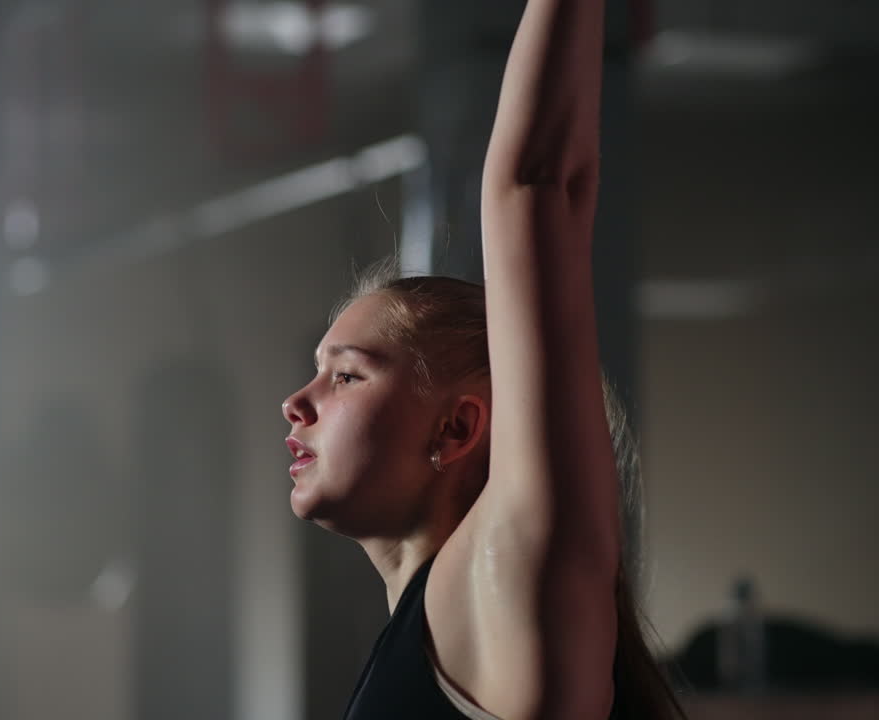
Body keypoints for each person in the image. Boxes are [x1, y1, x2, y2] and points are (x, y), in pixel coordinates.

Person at [280, 0, 686, 717]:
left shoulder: (504, 575)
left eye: (345, 375)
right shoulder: (429, 630)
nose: (296, 402)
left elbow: (538, 188)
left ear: (457, 428)